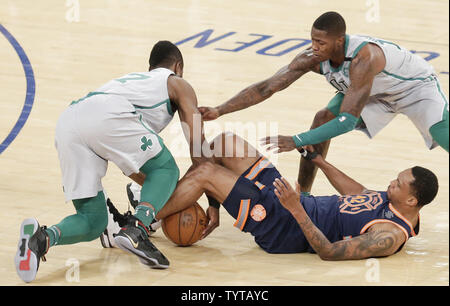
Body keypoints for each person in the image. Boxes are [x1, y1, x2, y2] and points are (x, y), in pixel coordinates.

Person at [14, 41, 217, 283]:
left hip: (69, 121)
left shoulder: (135, 84)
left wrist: (159, 199)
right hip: (106, 113)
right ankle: (136, 229)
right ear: (178, 66)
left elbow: (132, 166)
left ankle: (41, 239)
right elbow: (198, 150)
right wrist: (211, 199)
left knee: (93, 220)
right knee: (167, 167)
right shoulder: (177, 83)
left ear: (150, 67)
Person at [198, 11, 448, 197]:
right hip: (372, 92)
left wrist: (297, 140)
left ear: (340, 41)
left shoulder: (364, 58)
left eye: (321, 43)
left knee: (441, 133)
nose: (314, 48)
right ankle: (303, 197)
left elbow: (348, 121)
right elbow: (268, 86)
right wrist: (220, 109)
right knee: (322, 118)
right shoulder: (313, 58)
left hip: (414, 89)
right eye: (312, 41)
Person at [118, 132, 438, 259]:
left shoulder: (390, 236)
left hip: (283, 227)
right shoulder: (390, 201)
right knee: (220, 144)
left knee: (205, 174)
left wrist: (296, 209)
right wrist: (320, 161)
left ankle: (139, 223)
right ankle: (172, 205)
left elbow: (328, 252)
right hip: (289, 203)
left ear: (411, 201)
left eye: (398, 184)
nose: (390, 184)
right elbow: (357, 194)